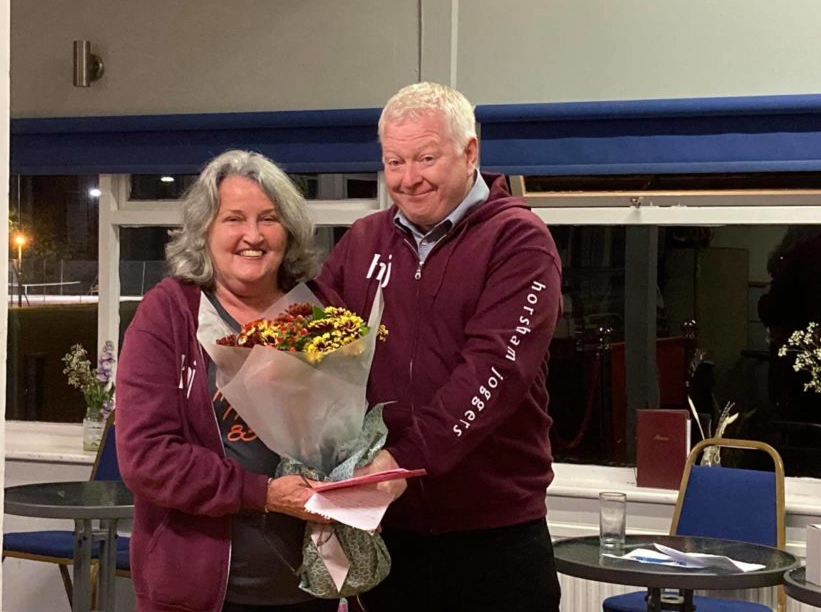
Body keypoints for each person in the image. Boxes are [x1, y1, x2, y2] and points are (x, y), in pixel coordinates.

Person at [317, 82, 564, 612]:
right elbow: (313, 348)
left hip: (493, 534)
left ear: (470, 152)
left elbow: (492, 375)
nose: (408, 179)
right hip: (389, 530)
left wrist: (401, 463)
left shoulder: (518, 241)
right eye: (395, 161)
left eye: (426, 157)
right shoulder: (362, 241)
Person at [117, 149, 339, 612]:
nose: (252, 236)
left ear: (290, 231)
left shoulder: (320, 309)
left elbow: (346, 428)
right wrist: (260, 494)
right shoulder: (168, 315)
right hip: (201, 593)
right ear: (205, 232)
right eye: (234, 219)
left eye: (269, 219)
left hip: (312, 588)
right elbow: (146, 458)